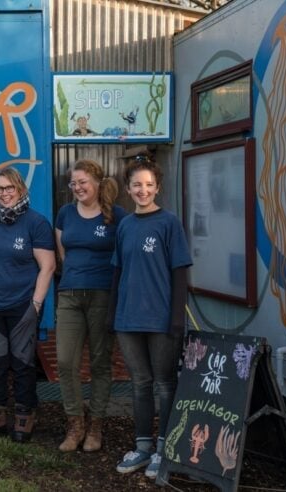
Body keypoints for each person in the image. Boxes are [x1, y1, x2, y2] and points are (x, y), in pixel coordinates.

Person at [109, 155, 192, 480]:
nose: (142, 190)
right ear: (128, 189)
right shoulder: (126, 225)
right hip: (128, 319)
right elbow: (117, 271)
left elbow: (180, 273)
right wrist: (113, 314)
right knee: (140, 383)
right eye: (136, 185)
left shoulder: (169, 223)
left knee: (164, 383)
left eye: (148, 185)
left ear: (157, 187)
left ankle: (165, 448)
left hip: (161, 320)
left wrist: (176, 320)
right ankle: (143, 447)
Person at [0, 167, 55, 443]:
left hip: (22, 306)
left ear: (20, 190)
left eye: (9, 188)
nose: (4, 193)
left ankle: (25, 416)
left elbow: (48, 266)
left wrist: (36, 304)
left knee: (22, 364)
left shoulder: (36, 223)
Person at [54, 159, 127, 453]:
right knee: (64, 362)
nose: (78, 188)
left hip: (102, 295)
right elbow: (63, 253)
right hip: (70, 294)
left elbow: (124, 255)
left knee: (100, 361)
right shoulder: (65, 214)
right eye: (73, 183)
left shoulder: (118, 216)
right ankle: (75, 424)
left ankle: (96, 424)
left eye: (83, 182)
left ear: (97, 182)